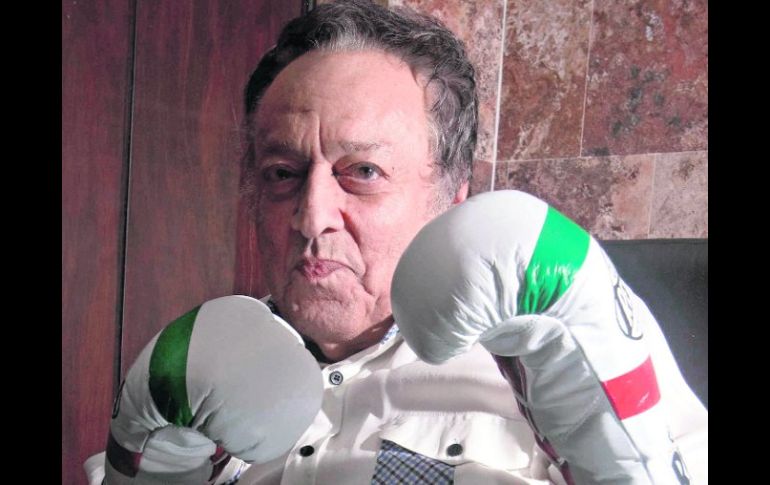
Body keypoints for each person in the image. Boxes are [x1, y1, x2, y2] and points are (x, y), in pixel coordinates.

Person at [85, 1, 707, 484]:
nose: (312, 216)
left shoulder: (547, 374)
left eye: (363, 172)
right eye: (282, 173)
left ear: (453, 195)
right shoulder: (196, 375)